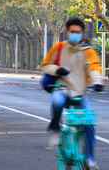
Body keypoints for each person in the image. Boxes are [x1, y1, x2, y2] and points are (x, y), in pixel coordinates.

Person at [40, 17, 103, 170]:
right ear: (67, 32)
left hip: (80, 93)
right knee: (57, 102)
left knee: (89, 123)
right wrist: (56, 70)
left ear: (82, 33)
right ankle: (55, 128)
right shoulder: (59, 48)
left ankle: (90, 158)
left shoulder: (89, 52)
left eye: (78, 32)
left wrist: (98, 82)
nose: (75, 34)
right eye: (72, 32)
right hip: (61, 89)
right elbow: (45, 65)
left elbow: (94, 68)